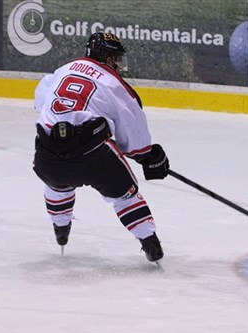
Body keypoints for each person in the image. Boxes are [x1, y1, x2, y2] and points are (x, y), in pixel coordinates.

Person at [33, 32, 170, 263]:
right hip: (94, 157)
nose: (117, 64)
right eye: (116, 58)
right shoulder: (114, 82)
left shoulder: (64, 69)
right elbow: (134, 139)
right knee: (125, 195)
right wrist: (149, 156)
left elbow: (41, 101)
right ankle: (151, 245)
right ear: (107, 57)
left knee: (57, 184)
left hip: (47, 155)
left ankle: (61, 231)